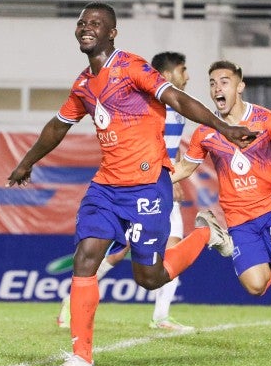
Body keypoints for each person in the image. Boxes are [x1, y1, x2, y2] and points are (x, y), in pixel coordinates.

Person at [6, 3, 258, 366]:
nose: (85, 28)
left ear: (112, 33)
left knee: (149, 278)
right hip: (106, 188)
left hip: (146, 186)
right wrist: (27, 162)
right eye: (81, 23)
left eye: (95, 23)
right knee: (86, 257)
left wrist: (225, 128)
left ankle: (206, 232)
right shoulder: (83, 84)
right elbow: (58, 126)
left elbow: (177, 99)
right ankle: (81, 358)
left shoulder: (131, 67)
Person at [171, 60, 271, 357]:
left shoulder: (266, 120)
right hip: (239, 220)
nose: (216, 88)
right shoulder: (207, 132)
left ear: (239, 86)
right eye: (212, 83)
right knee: (255, 286)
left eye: (223, 82)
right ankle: (236, 244)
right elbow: (185, 167)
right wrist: (150, 181)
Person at [56, 51, 194, 332]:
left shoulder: (178, 108)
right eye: (183, 70)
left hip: (160, 184)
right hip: (139, 187)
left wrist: (174, 175)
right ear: (166, 76)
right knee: (117, 254)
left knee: (170, 247)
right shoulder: (147, 101)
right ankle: (72, 301)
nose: (188, 76)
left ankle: (161, 316)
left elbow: (167, 144)